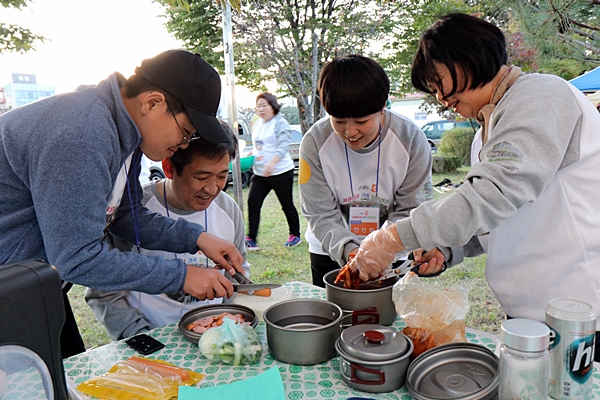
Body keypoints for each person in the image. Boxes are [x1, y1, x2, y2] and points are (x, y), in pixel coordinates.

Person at [348, 13, 600, 357]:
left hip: (582, 310)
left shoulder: (542, 95)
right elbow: (496, 219)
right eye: (433, 89)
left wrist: (391, 238)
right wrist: (447, 249)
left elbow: (493, 194)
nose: (440, 97)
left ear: (468, 57)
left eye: (439, 81)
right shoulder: (484, 134)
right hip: (529, 312)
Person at [0, 49, 244, 358]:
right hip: (9, 288)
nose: (183, 144)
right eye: (185, 132)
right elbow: (78, 258)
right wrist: (182, 276)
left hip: (33, 284)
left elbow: (126, 215)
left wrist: (196, 238)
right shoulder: (81, 136)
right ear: (152, 103)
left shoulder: (125, 132)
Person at [85, 121, 251, 340]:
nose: (212, 189)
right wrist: (141, 337)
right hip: (151, 341)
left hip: (217, 336)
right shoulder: (131, 211)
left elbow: (238, 275)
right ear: (169, 168)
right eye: (201, 177)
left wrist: (227, 325)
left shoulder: (228, 209)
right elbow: (103, 292)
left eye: (221, 176)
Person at [298, 55, 447, 288]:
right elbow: (319, 213)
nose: (350, 132)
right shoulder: (314, 142)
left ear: (382, 107)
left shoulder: (410, 138)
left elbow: (412, 207)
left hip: (393, 253)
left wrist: (382, 248)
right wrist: (352, 253)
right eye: (339, 121)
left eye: (361, 121)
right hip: (331, 250)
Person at [245, 92, 301, 250]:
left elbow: (283, 146)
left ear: (273, 106)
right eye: (258, 106)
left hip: (281, 172)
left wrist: (272, 163)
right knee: (253, 203)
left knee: (287, 204)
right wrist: (251, 153)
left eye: (264, 105)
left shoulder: (280, 123)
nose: (261, 109)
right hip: (260, 173)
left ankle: (295, 235)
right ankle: (251, 238)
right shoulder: (258, 124)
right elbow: (259, 145)